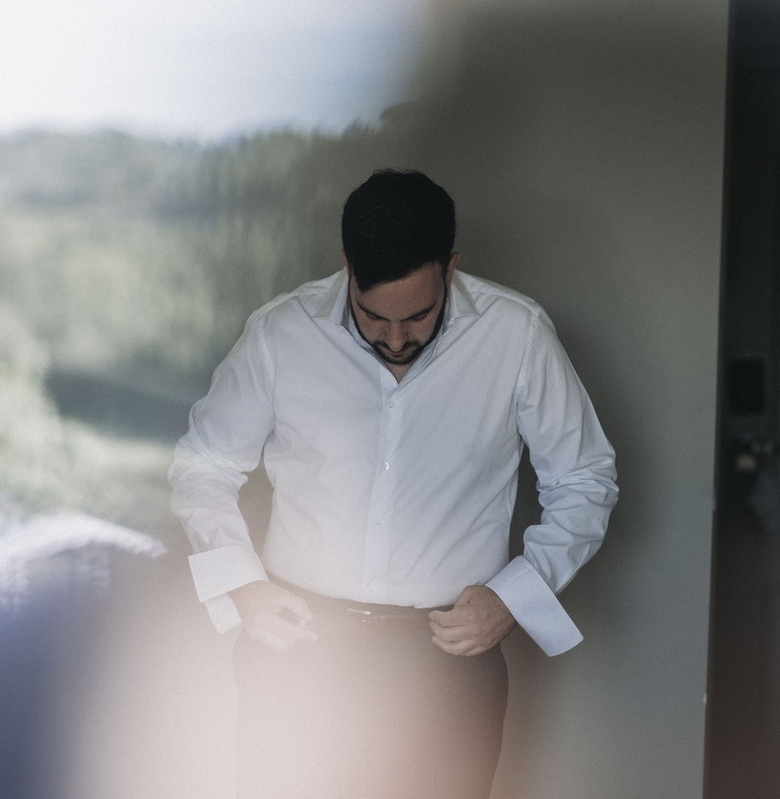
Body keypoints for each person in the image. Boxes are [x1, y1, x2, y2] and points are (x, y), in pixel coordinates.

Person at [168, 169, 618, 799]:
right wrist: (240, 583)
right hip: (298, 649)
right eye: (374, 315)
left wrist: (517, 596)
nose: (397, 338)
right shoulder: (279, 333)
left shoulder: (516, 334)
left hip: (446, 664)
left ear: (450, 268)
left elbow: (585, 476)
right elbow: (204, 465)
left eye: (419, 315)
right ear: (348, 266)